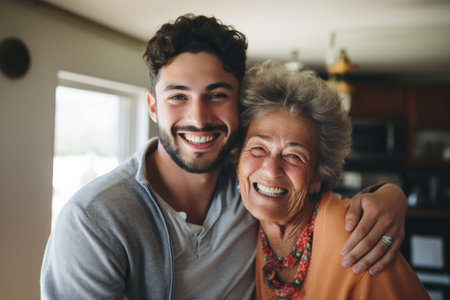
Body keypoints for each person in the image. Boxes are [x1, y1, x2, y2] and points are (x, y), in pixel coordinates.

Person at [41, 14, 408, 299]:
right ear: (152, 106)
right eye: (178, 96)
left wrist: (390, 196)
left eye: (216, 95)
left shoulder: (250, 190)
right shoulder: (94, 220)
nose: (198, 118)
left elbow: (313, 198)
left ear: (237, 106)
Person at [236, 61, 429, 300]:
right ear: (237, 157)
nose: (271, 169)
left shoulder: (356, 240)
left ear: (319, 175)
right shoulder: (245, 227)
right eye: (258, 148)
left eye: (294, 156)